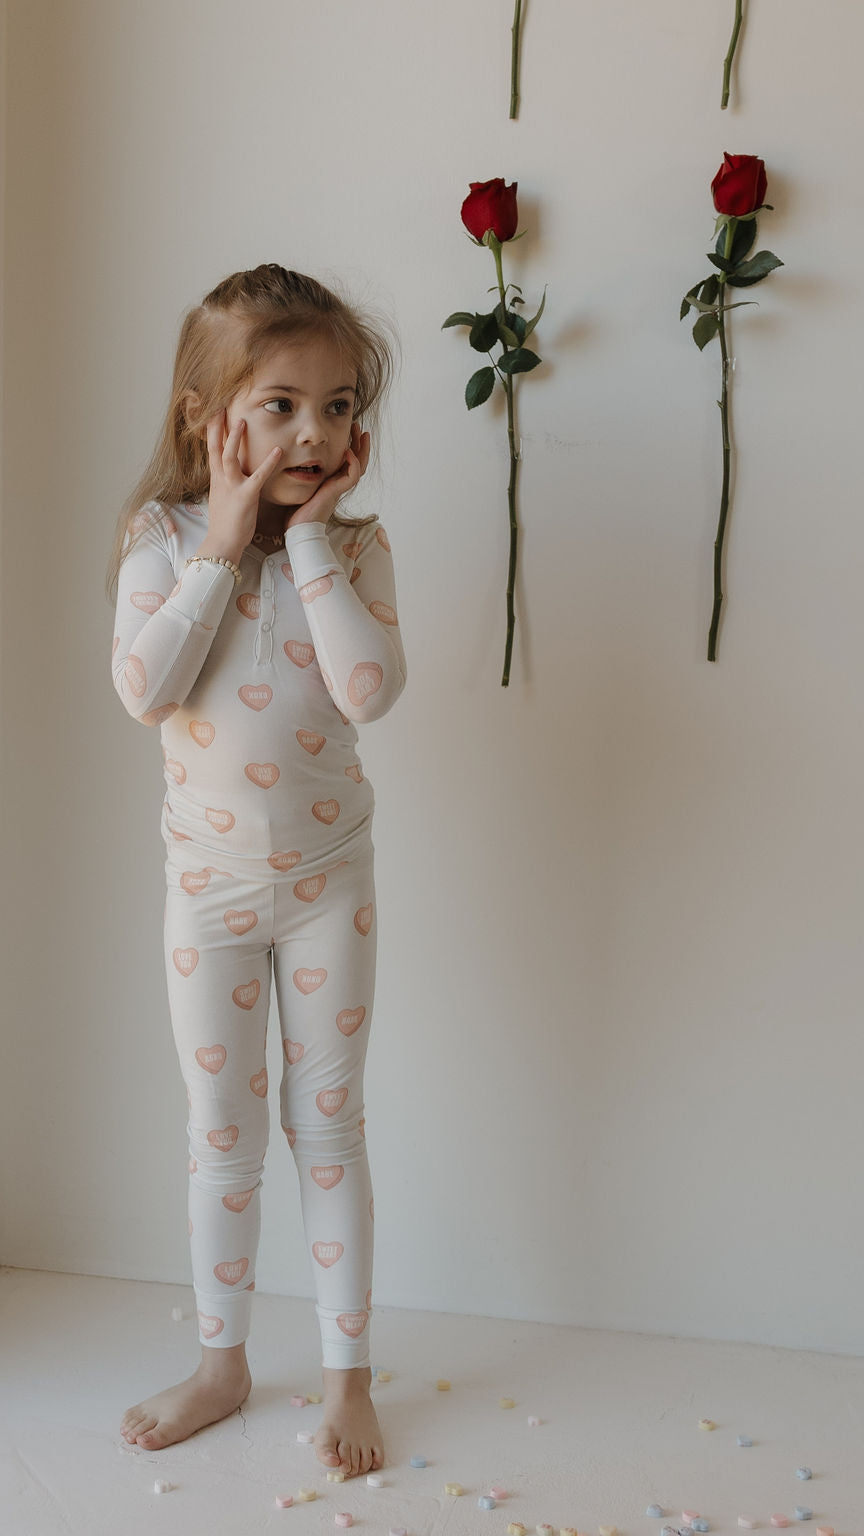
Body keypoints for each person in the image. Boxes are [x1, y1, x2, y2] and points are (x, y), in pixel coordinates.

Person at [108, 264, 406, 1475]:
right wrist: (226, 545)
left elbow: (370, 691)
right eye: (280, 404)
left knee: (327, 1130)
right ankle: (221, 1361)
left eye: (337, 406)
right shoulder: (162, 542)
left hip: (330, 885)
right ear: (206, 417)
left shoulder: (357, 544)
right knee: (219, 1136)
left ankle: (348, 1380)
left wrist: (316, 543)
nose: (313, 431)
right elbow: (144, 691)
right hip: (210, 897)